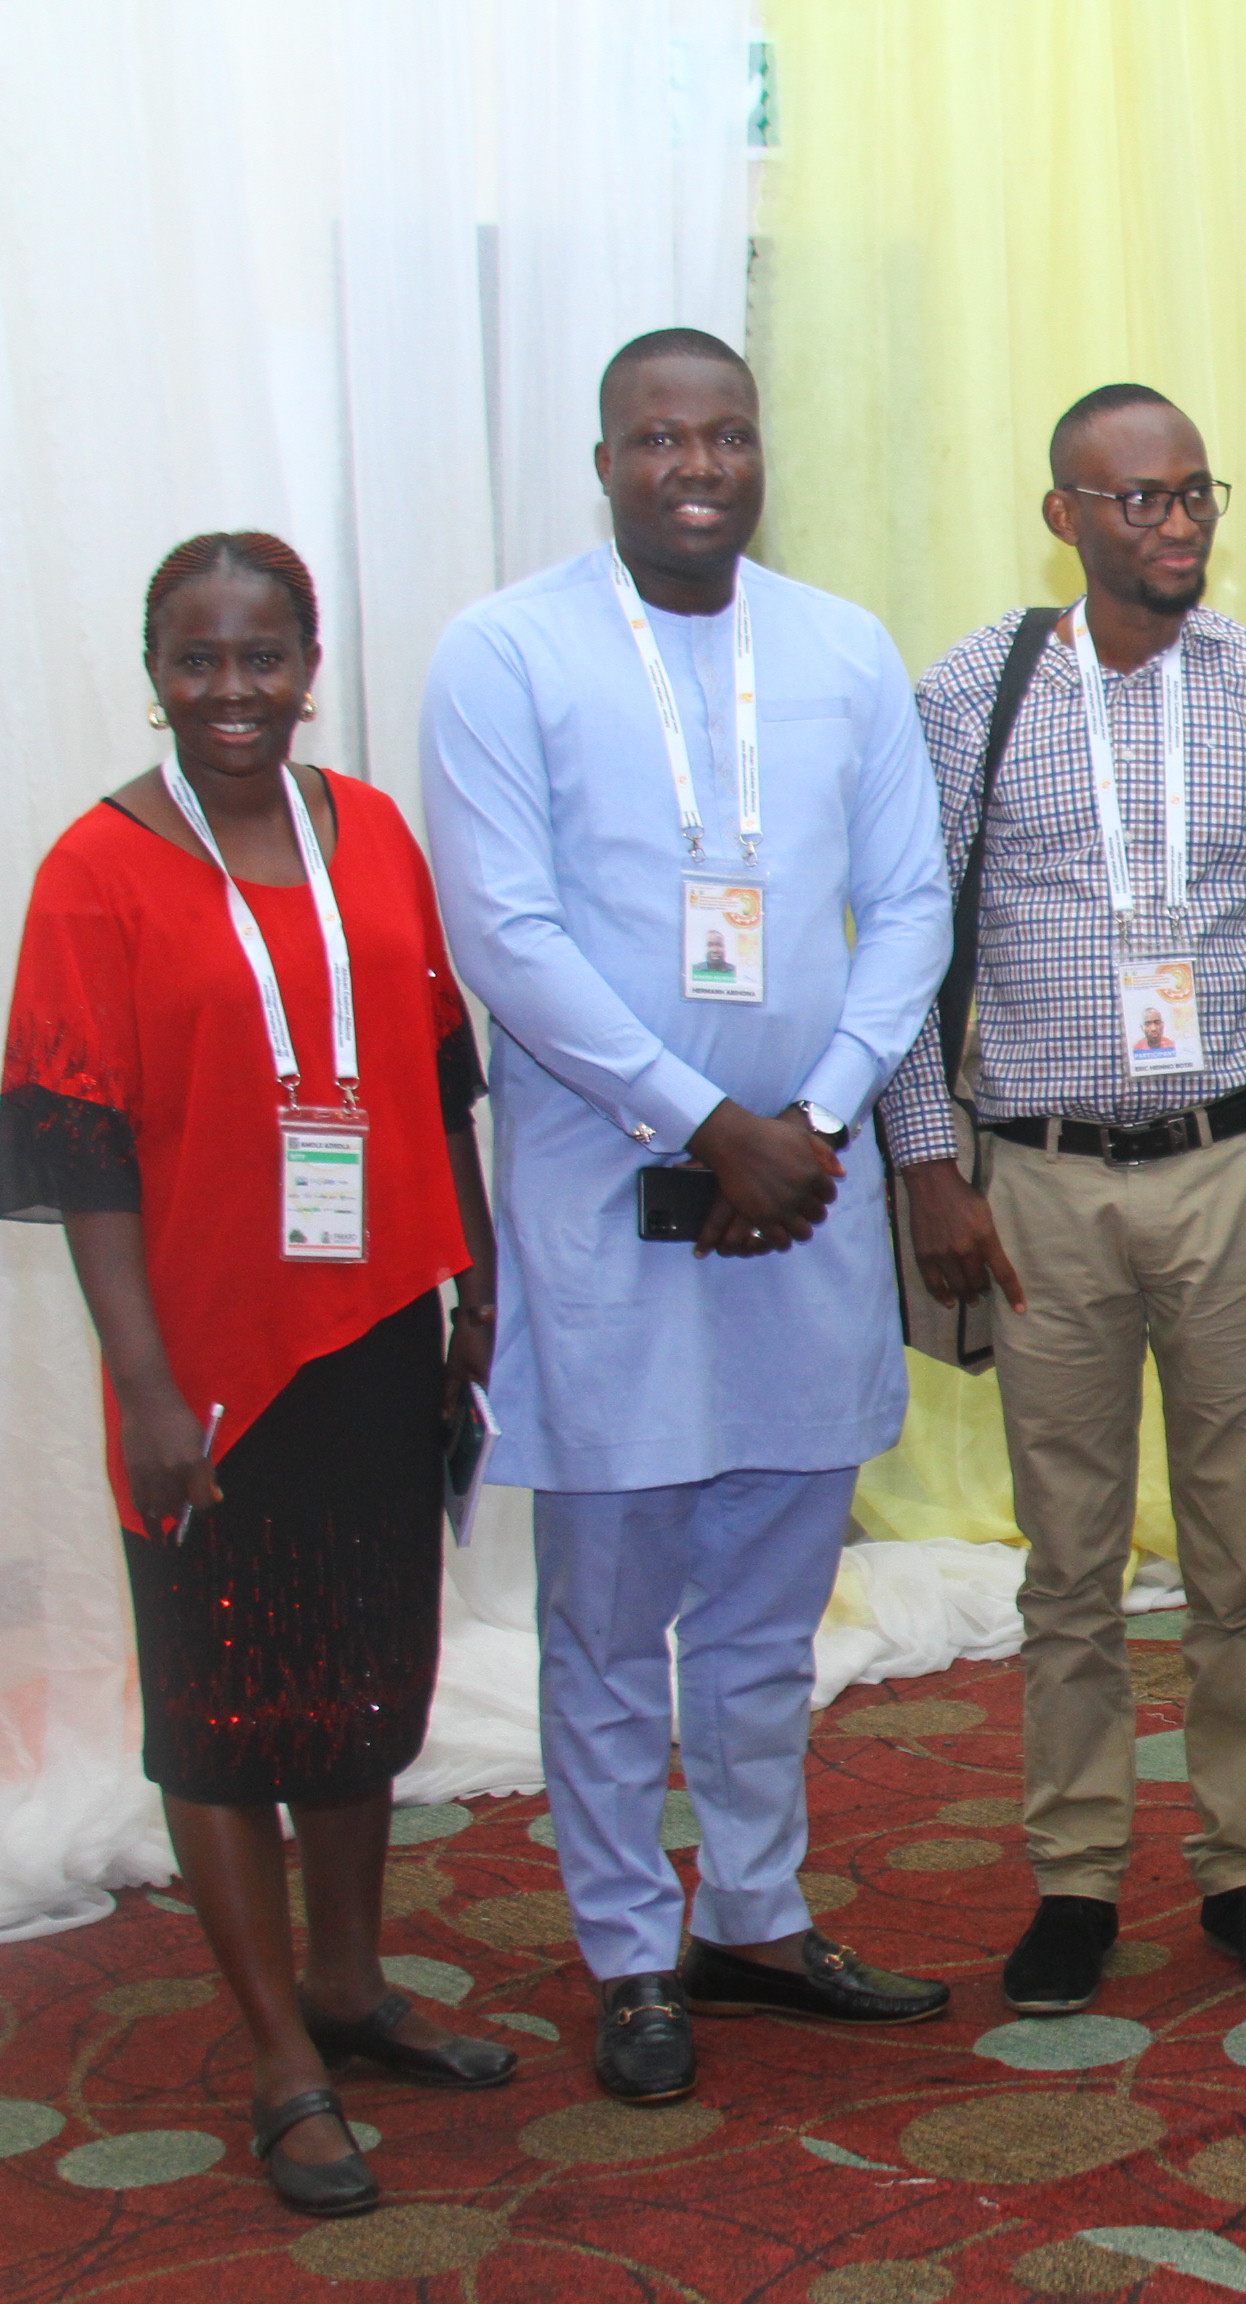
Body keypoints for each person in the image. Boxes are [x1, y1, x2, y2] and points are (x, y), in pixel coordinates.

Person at [420, 329, 954, 2107]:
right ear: (604, 460)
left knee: (767, 1611)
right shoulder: (504, 653)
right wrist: (707, 1122)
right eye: (659, 438)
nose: (697, 466)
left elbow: (909, 905)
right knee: (606, 1618)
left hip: (802, 1204)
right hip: (611, 1204)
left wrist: (811, 1119)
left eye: (726, 434)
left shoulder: (844, 647)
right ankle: (629, 1953)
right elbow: (505, 936)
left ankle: (754, 1916)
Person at [4, 535, 515, 2216]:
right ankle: (280, 2057)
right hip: (207, 1363)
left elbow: (435, 1071)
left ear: (310, 665)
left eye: (263, 657)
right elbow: (78, 1153)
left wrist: (475, 1280)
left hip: (374, 1328)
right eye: (198, 659)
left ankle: (350, 1986)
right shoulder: (93, 870)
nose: (233, 691)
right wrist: (146, 1387)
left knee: (363, 1681)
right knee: (219, 1709)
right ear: (154, 671)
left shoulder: (367, 829)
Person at [877, 383, 1246, 2008]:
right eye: (1138, 497)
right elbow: (909, 945)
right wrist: (925, 1167)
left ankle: (1244, 1867)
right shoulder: (971, 693)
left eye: (1195, 492)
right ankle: (1075, 1878)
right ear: (1063, 518)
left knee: (1239, 1556)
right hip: (1040, 1184)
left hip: (1229, 1171)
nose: (1176, 521)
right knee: (1068, 1563)